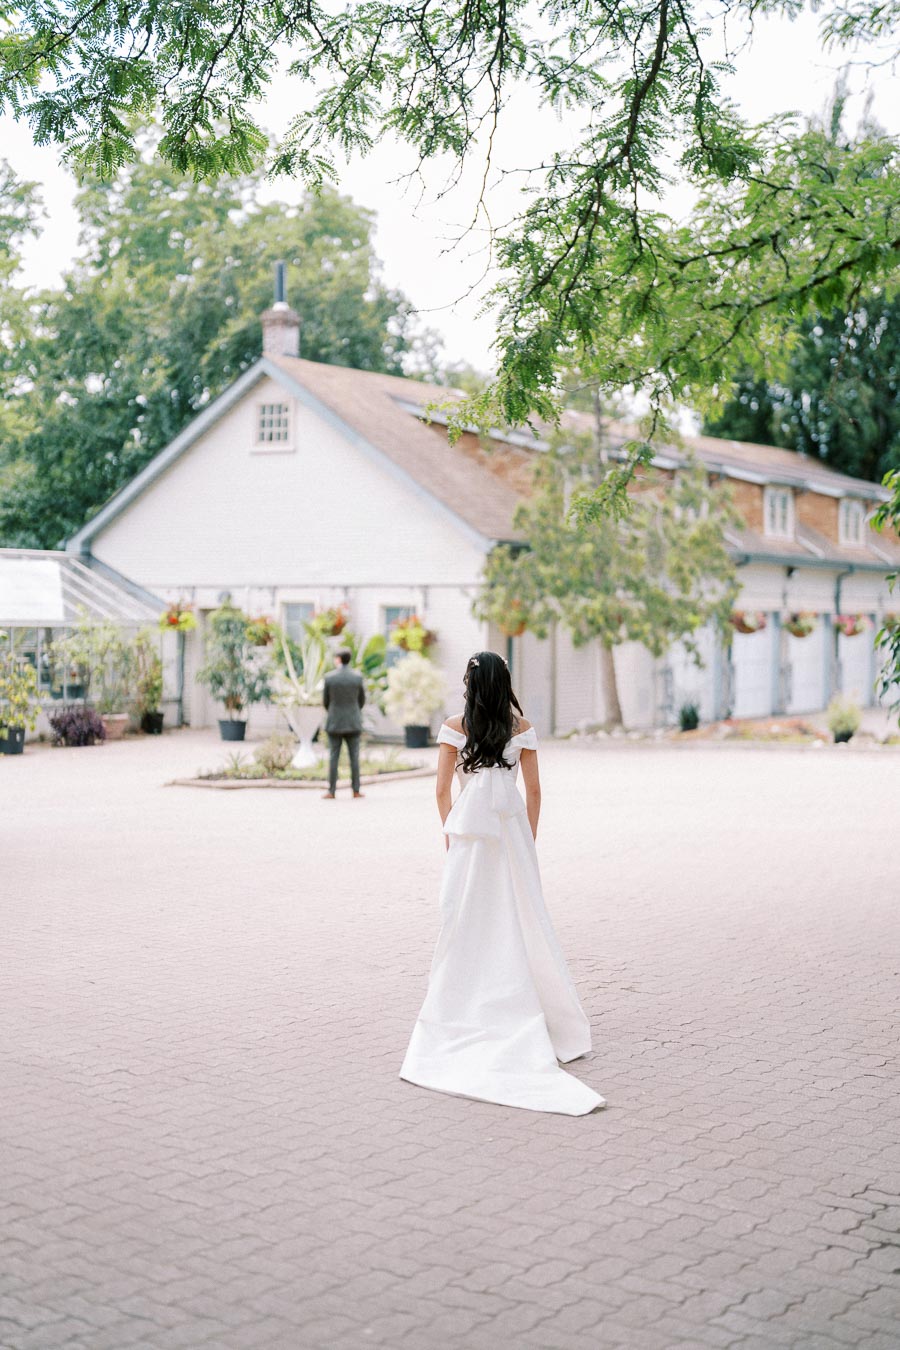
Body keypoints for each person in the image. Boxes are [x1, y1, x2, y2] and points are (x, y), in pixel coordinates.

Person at [400, 650, 605, 1115]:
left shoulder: (455, 725)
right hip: (509, 833)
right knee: (520, 916)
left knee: (465, 916)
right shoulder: (520, 728)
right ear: (504, 681)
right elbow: (534, 792)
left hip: (470, 835)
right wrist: (527, 839)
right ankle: (527, 1004)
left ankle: (465, 1004)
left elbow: (439, 790)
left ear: (471, 684)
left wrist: (450, 831)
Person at [322, 648, 366, 799]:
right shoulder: (357, 677)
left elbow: (325, 701)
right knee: (354, 757)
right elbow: (361, 701)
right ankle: (356, 790)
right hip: (353, 722)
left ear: (339, 659)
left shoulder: (329, 678)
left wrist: (334, 712)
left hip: (334, 722)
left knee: (334, 757)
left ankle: (331, 791)